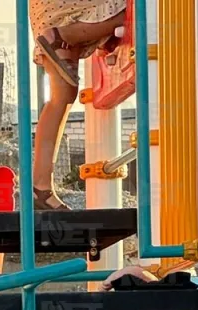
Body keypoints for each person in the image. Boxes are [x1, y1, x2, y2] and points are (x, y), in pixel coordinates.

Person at [30, 0, 127, 209]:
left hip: (46, 12)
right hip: (59, 10)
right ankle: (64, 36)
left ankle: (41, 188)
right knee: (131, 10)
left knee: (62, 96)